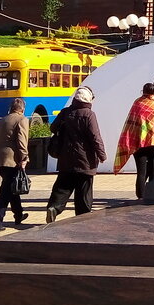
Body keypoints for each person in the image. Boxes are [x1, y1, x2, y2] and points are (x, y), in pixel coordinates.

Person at [46, 86, 108, 221]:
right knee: (84, 191)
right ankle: (82, 217)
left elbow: (53, 127)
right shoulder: (88, 114)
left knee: (62, 187)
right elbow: (95, 137)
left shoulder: (65, 112)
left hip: (65, 158)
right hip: (85, 160)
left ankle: (54, 208)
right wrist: (102, 155)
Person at [114, 83, 154, 198]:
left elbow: (131, 122)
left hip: (138, 143)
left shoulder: (137, 103)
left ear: (142, 91)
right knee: (153, 170)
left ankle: (140, 195)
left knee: (141, 172)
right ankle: (153, 194)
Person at [0, 97, 30, 232]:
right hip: (11, 160)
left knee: (12, 187)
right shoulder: (21, 120)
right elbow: (22, 141)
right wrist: (24, 158)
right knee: (5, 192)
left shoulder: (1, 120)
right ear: (22, 109)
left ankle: (18, 215)